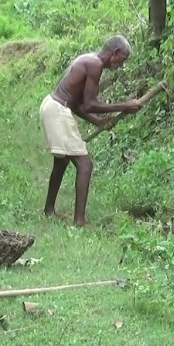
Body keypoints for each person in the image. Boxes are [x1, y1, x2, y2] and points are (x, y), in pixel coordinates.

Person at [39, 35, 142, 227]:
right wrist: (124, 106)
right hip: (58, 110)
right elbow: (90, 104)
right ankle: (79, 221)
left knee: (61, 163)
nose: (121, 65)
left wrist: (99, 122)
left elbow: (79, 105)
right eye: (123, 59)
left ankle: (49, 210)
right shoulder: (94, 64)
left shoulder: (89, 60)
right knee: (85, 165)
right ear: (115, 53)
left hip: (52, 105)